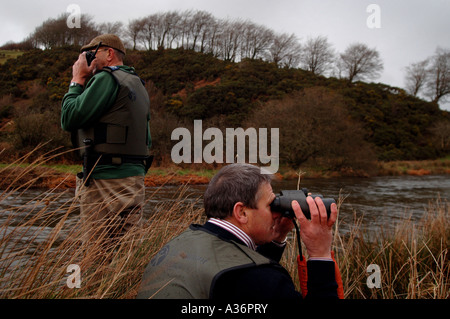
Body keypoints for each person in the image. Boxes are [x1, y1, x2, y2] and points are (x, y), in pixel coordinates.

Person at [136, 163, 338, 299]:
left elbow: (241, 271)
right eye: (271, 205)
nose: (277, 213)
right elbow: (253, 280)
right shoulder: (257, 278)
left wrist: (276, 239)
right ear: (241, 212)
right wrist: (320, 254)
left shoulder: (179, 243)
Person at [61, 34, 152, 253]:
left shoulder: (105, 79)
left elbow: (69, 117)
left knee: (96, 257)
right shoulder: (136, 83)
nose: (87, 60)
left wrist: (77, 80)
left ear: (109, 54)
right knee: (126, 255)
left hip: (106, 180)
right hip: (132, 179)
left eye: (92, 54)